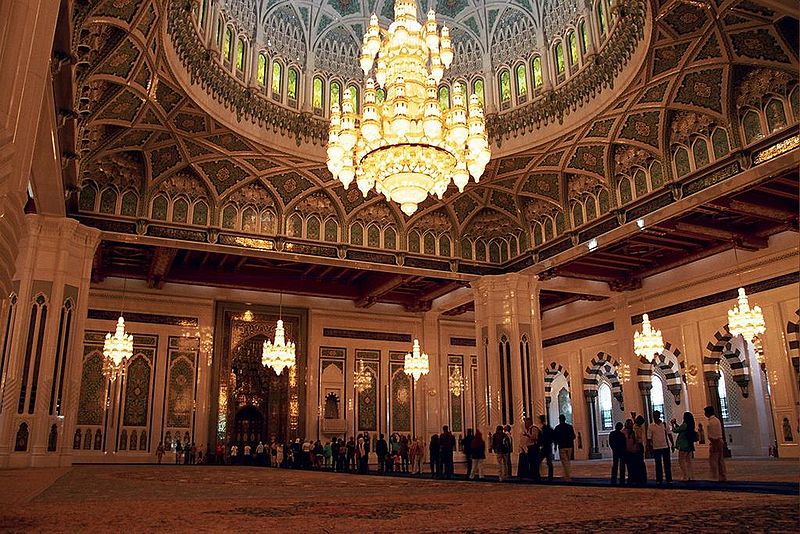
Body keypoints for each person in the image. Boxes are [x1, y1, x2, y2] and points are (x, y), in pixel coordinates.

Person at [647, 410, 673, 484]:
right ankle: (659, 479)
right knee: (658, 464)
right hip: (656, 447)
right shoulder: (651, 426)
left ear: (659, 415)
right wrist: (649, 447)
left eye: (657, 415)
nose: (655, 417)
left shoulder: (664, 424)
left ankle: (669, 479)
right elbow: (649, 437)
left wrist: (672, 444)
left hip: (665, 446)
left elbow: (669, 434)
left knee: (667, 464)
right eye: (654, 415)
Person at [671, 411, 697, 481]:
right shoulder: (690, 425)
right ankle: (691, 476)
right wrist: (676, 424)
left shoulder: (685, 424)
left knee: (681, 460)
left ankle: (685, 476)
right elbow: (680, 429)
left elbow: (676, 430)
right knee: (689, 461)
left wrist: (672, 424)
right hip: (689, 444)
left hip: (683, 445)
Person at [705, 406, 726, 482]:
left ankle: (715, 477)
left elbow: (712, 435)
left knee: (713, 460)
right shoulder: (717, 420)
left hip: (715, 442)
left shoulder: (711, 422)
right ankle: (722, 476)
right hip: (719, 441)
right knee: (720, 460)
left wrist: (713, 444)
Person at [553, 414, 575, 481]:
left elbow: (555, 438)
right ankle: (567, 475)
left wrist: (555, 446)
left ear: (559, 420)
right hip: (569, 446)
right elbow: (573, 436)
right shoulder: (569, 427)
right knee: (567, 461)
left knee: (564, 462)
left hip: (562, 446)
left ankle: (567, 476)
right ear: (565, 419)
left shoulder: (557, 428)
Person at [522, 417, 541, 482]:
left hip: (534, 447)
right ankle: (532, 475)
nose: (526, 424)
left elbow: (535, 437)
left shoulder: (534, 429)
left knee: (534, 462)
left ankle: (536, 476)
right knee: (531, 462)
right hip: (530, 447)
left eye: (527, 423)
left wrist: (527, 435)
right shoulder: (528, 429)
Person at [538, 415, 554, 482]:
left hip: (545, 447)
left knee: (539, 461)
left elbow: (542, 438)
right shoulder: (548, 428)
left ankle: (539, 475)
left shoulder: (544, 428)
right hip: (548, 446)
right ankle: (550, 477)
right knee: (549, 462)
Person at [633, 415, 647, 485]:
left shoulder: (639, 427)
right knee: (639, 462)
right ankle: (639, 477)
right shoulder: (635, 427)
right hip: (638, 445)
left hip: (640, 444)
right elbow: (636, 437)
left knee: (640, 461)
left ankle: (641, 477)